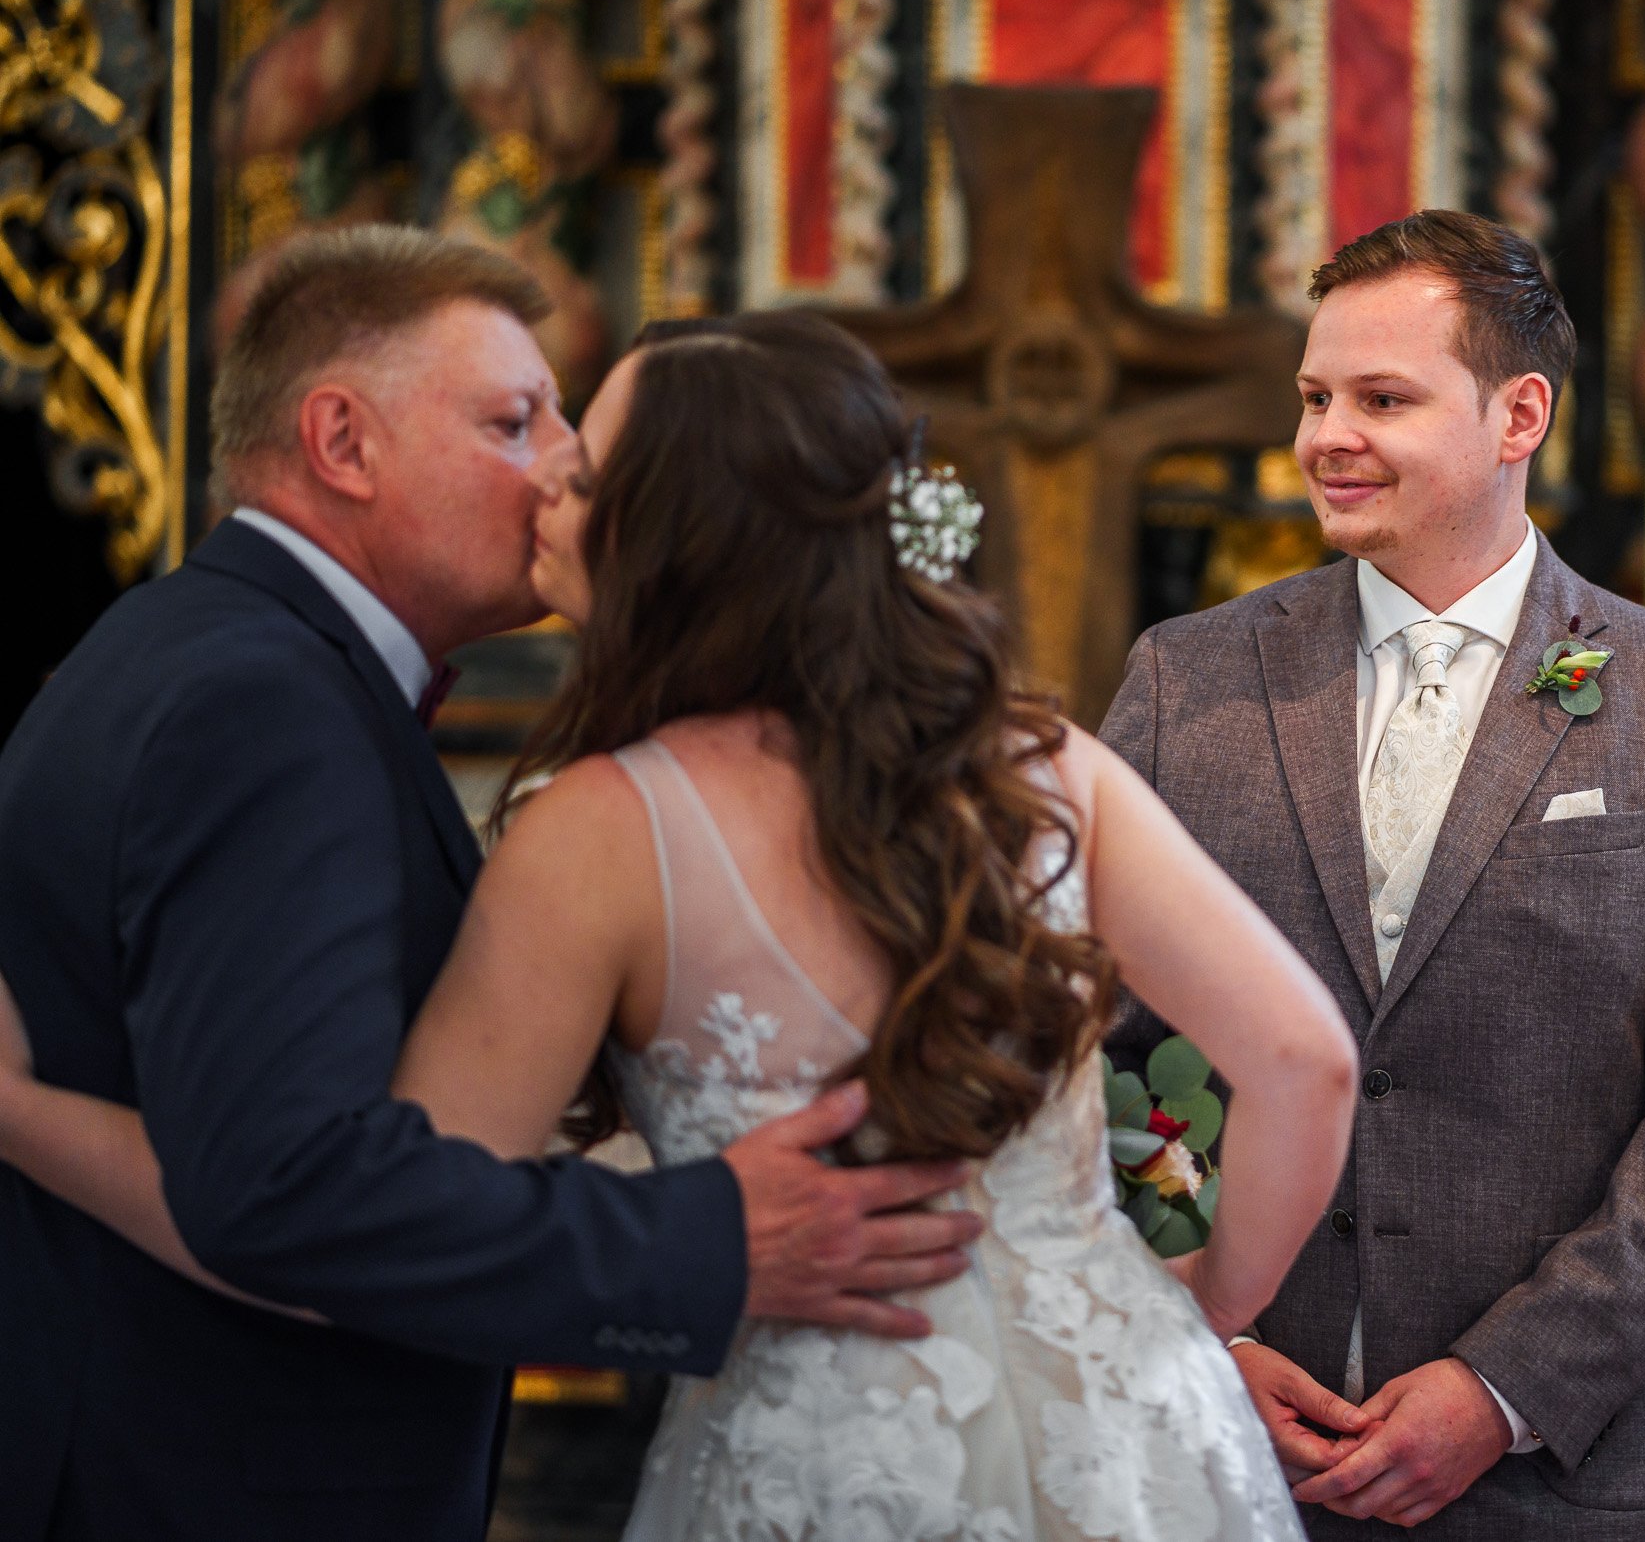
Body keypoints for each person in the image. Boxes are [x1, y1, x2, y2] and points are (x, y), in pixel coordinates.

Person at [0, 296, 1362, 1542]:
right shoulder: (1042, 759)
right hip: (1131, 1442)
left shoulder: (598, 828)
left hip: (824, 1462)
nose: (546, 485)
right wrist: (1178, 1303)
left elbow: (373, 1213)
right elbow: (1308, 1059)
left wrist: (23, 1109)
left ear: (676, 529)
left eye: (582, 465)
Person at [0, 227, 986, 1542]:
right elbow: (287, 1182)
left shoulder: (204, 647)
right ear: (343, 441)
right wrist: (701, 1236)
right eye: (517, 420)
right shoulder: (265, 699)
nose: (563, 468)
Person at [1100, 210, 1645, 1539]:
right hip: (1233, 1454)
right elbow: (1114, 1044)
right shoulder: (1185, 678)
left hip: (1563, 1479)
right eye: (1315, 395)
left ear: (1517, 415)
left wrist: (1503, 1386)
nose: (1326, 435)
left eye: (1382, 397)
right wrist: (1208, 1324)